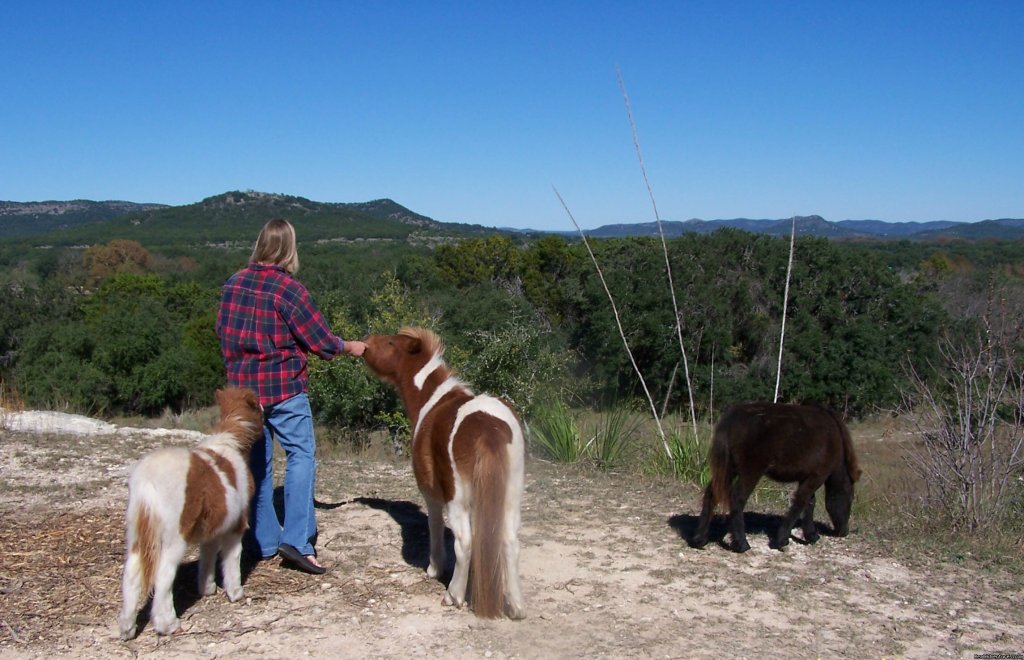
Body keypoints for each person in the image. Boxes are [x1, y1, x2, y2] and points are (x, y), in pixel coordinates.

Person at [216, 218, 366, 574]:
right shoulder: (289, 290)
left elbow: (222, 332)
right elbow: (321, 340)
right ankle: (297, 541)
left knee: (257, 466)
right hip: (283, 388)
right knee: (301, 455)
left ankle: (264, 541)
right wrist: (353, 347)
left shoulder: (232, 284)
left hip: (242, 392)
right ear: (288, 249)